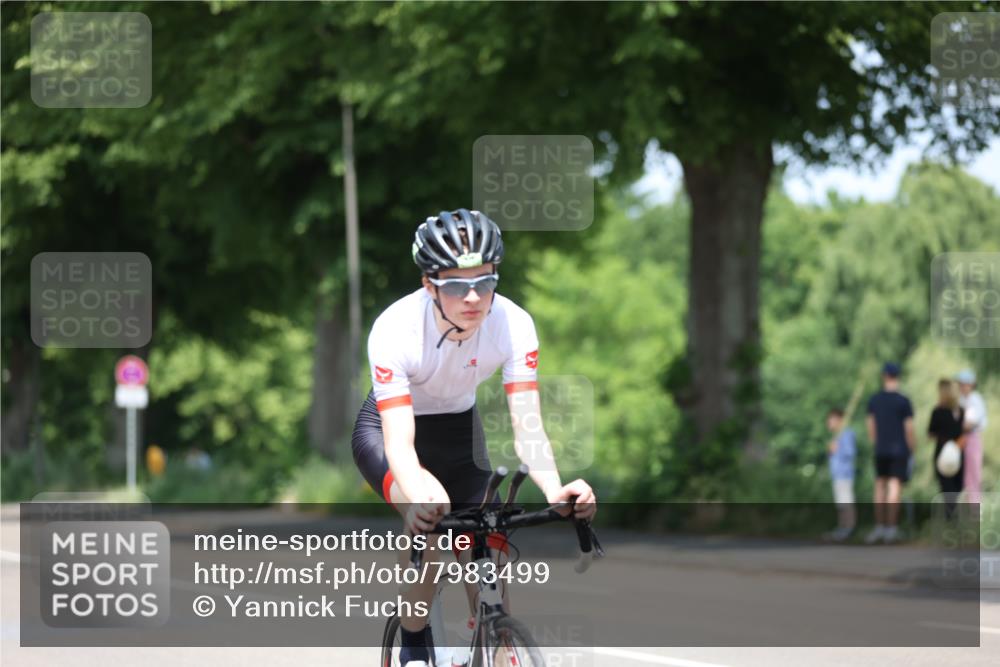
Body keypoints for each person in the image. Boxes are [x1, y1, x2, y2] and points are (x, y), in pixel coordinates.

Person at [351, 208, 597, 667]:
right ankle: (413, 640)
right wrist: (417, 497)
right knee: (436, 535)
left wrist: (555, 488)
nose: (473, 298)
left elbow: (528, 425)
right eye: (456, 285)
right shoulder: (394, 328)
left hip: (460, 431)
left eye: (485, 282)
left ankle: (492, 645)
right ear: (429, 284)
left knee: (485, 549)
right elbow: (400, 443)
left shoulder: (514, 323)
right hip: (391, 433)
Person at [864, 363, 915, 544]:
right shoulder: (903, 401)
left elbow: (870, 425)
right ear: (897, 376)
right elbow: (909, 428)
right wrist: (912, 449)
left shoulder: (874, 400)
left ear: (884, 376)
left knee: (879, 487)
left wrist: (876, 443)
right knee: (894, 488)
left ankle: (879, 527)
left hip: (881, 449)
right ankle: (891, 529)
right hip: (900, 449)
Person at [927, 379, 965, 518]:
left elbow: (930, 433)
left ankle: (950, 520)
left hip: (943, 452)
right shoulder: (960, 411)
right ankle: (954, 519)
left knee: (947, 488)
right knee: (956, 487)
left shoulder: (938, 411)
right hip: (958, 451)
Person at [956, 368, 988, 506]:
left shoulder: (975, 400)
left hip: (971, 439)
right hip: (960, 440)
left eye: (964, 384)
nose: (961, 387)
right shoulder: (960, 400)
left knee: (973, 476)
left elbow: (969, 424)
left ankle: (974, 511)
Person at [824, 408, 856, 541]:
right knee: (840, 503)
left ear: (838, 420)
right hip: (836, 475)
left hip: (844, 474)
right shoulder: (836, 436)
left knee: (846, 502)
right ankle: (841, 528)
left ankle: (848, 528)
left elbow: (850, 453)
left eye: (830, 420)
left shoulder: (846, 434)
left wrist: (837, 448)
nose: (828, 423)